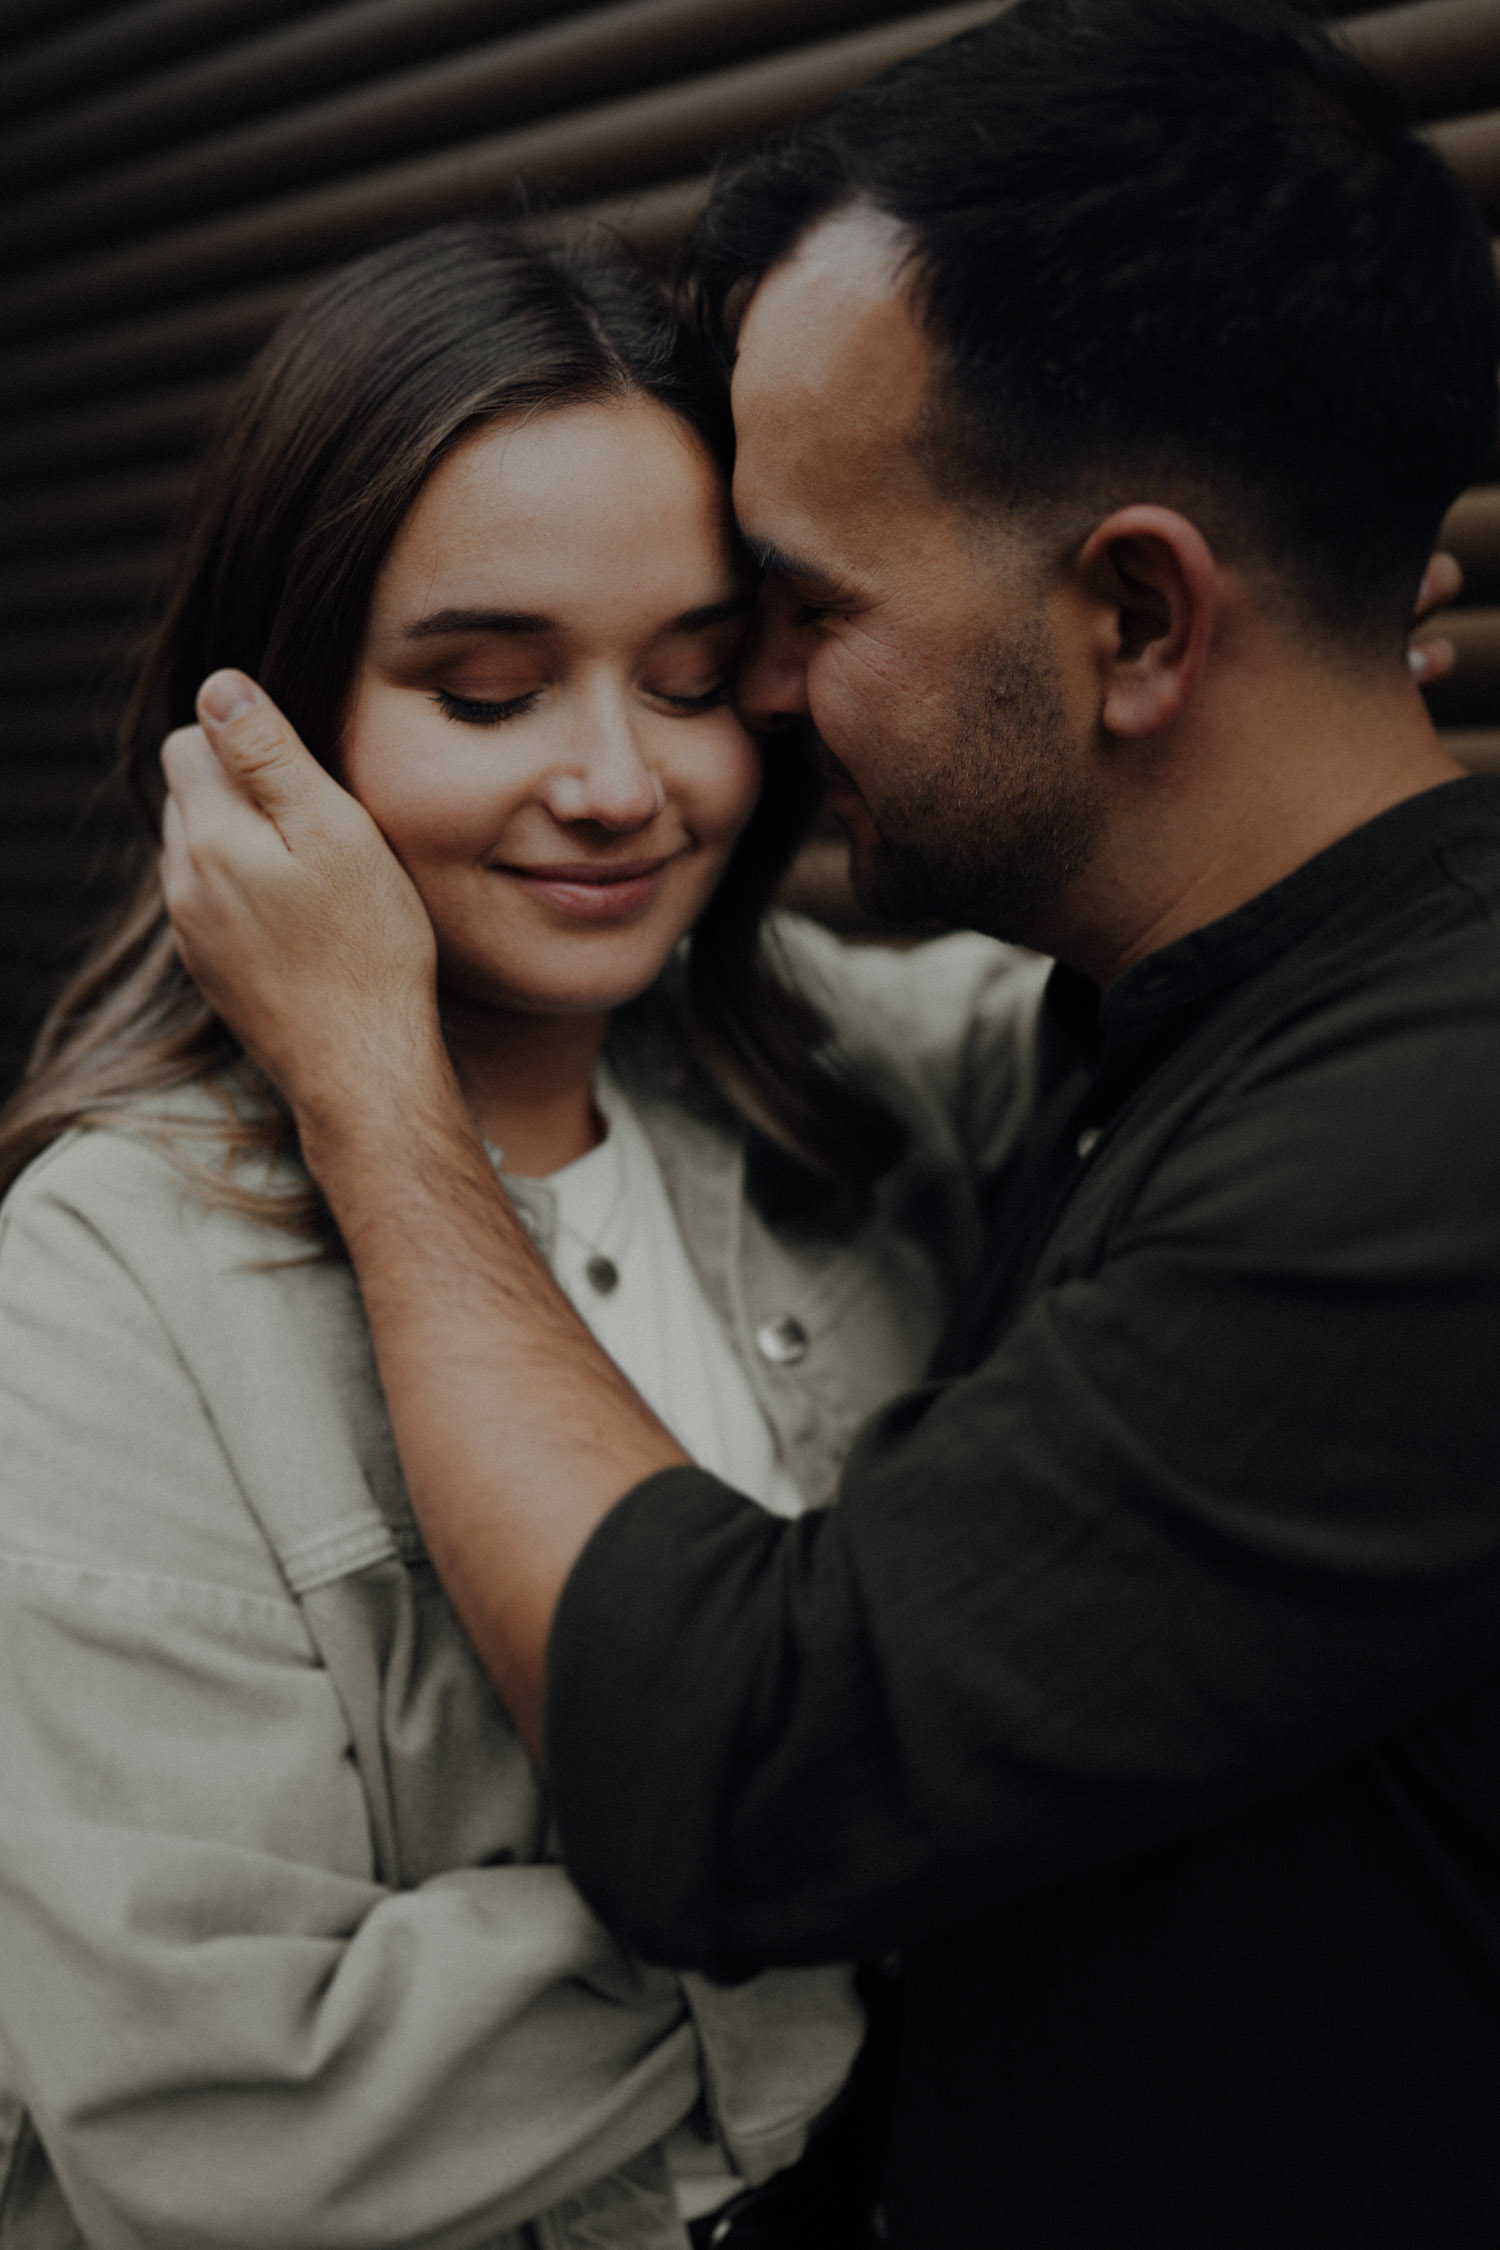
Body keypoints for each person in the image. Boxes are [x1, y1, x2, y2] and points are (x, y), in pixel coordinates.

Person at [153, 1, 1500, 2244]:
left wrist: (374, 1076)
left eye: (783, 620)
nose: (742, 722)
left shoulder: (1433, 1128)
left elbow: (748, 1770)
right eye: (495, 687)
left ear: (1141, 620)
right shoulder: (1148, 1018)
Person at [0, 221, 1051, 2248]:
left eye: (692, 680)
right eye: (486, 692)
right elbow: (219, 2119)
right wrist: (902, 1857)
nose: (616, 783)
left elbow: (1245, 996)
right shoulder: (103, 1284)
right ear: (268, 721)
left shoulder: (848, 1071)